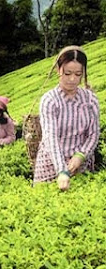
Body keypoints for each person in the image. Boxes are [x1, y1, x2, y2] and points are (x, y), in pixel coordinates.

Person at [33, 45, 100, 191]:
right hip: (51, 164)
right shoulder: (50, 100)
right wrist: (61, 170)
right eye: (67, 73)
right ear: (59, 70)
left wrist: (80, 156)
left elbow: (94, 134)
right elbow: (51, 138)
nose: (72, 79)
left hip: (80, 164)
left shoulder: (90, 99)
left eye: (77, 74)